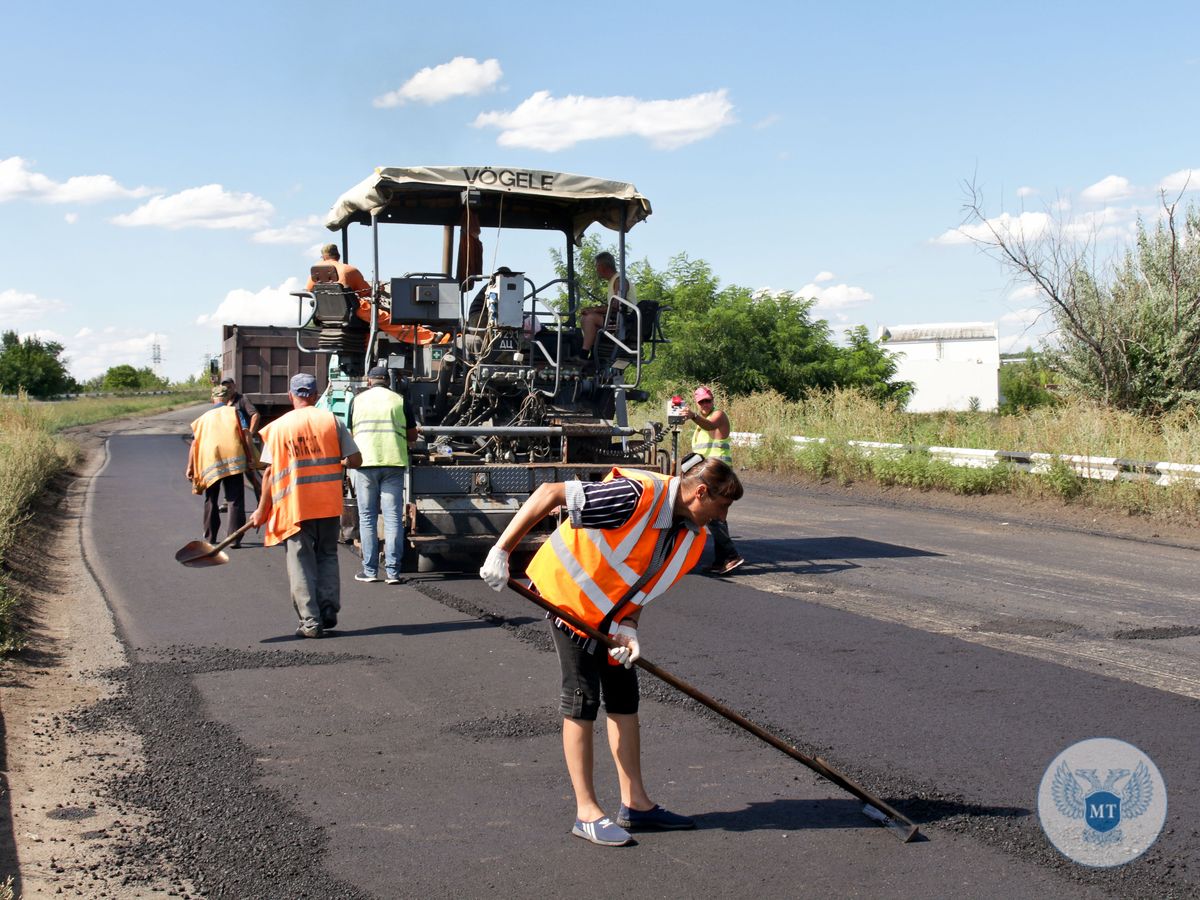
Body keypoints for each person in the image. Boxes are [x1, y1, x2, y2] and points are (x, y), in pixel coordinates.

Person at [479, 455, 744, 847]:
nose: (722, 516)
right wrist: (502, 549)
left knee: (624, 698)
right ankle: (586, 811)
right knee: (582, 697)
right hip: (566, 599)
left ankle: (635, 804)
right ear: (701, 492)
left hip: (608, 618)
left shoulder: (691, 535)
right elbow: (550, 494)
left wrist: (627, 629)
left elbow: (644, 582)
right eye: (722, 505)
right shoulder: (635, 494)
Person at [248, 373, 362, 639]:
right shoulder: (331, 421)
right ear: (314, 395)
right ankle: (328, 608)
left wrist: (261, 511)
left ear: (291, 395)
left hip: (295, 507)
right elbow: (355, 459)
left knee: (300, 562)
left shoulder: (278, 427)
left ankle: (311, 622)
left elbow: (268, 474)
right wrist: (338, 462)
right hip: (328, 504)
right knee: (327, 556)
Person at [350, 366, 418, 585]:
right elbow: (412, 435)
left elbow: (351, 432)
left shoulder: (357, 401)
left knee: (368, 518)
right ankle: (393, 573)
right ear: (388, 381)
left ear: (369, 381)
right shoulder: (399, 400)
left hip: (365, 465)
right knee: (393, 519)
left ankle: (370, 571)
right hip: (393, 464)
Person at [683, 386, 744, 575]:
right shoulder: (700, 425)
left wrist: (692, 416)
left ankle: (732, 555)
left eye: (707, 400)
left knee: (710, 512)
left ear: (712, 400)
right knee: (717, 515)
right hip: (710, 473)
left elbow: (710, 426)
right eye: (701, 402)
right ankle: (720, 561)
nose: (705, 404)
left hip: (719, 472)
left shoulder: (718, 415)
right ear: (697, 402)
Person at [186, 384, 251, 548]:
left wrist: (190, 467)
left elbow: (195, 444)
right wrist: (250, 457)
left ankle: (210, 536)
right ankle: (234, 538)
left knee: (211, 499)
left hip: (210, 463)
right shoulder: (235, 412)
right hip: (233, 461)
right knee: (234, 499)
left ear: (212, 399)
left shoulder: (202, 419)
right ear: (228, 398)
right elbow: (245, 435)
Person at [578, 251, 636, 361]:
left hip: (624, 320)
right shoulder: (613, 280)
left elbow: (617, 305)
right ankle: (594, 353)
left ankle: (584, 355)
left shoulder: (620, 280)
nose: (596, 270)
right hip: (617, 317)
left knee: (589, 318)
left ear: (603, 266)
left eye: (596, 266)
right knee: (587, 317)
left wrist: (593, 310)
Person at [305, 243, 372, 297]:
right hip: (346, 312)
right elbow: (366, 293)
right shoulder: (350, 270)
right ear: (338, 256)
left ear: (323, 257)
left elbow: (308, 290)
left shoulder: (317, 270)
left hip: (319, 311)